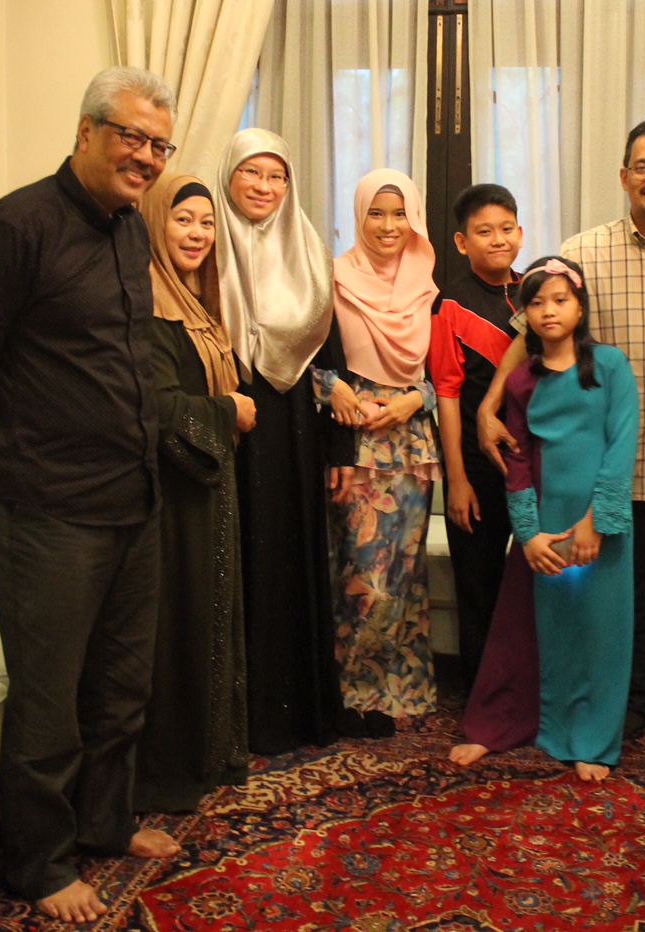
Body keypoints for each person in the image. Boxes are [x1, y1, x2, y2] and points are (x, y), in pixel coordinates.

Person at [0, 66, 180, 923]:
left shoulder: (130, 229)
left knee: (121, 687)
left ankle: (105, 823)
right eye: (132, 137)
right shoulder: (16, 226)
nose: (146, 157)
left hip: (131, 497)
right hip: (47, 511)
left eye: (160, 144)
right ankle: (37, 863)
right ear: (86, 131)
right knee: (49, 697)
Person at [478, 120, 645, 733]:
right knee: (623, 595)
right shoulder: (584, 252)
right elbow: (528, 333)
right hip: (616, 462)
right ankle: (634, 705)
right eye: (643, 166)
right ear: (624, 176)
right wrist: (490, 406)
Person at [452, 256, 638, 781]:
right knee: (536, 631)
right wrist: (529, 535)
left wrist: (596, 522)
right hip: (545, 528)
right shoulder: (520, 381)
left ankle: (592, 742)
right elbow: (517, 463)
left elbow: (621, 445)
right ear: (525, 314)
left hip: (599, 526)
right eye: (536, 303)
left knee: (598, 633)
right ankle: (514, 726)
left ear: (580, 308)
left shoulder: (611, 366)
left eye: (560, 300)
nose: (549, 311)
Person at [214, 129, 352, 755]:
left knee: (290, 559)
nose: (264, 187)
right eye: (252, 173)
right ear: (228, 175)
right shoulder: (205, 242)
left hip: (294, 427)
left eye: (277, 176)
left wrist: (338, 449)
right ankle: (237, 721)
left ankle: (294, 714)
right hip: (229, 419)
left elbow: (330, 356)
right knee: (236, 558)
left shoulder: (308, 248)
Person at [133, 170, 257, 812]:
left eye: (207, 223)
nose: (198, 233)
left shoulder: (194, 302)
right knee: (178, 625)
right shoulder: (149, 307)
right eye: (182, 219)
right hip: (171, 501)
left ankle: (210, 756)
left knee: (208, 614)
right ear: (155, 222)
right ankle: (170, 774)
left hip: (205, 490)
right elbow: (154, 407)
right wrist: (228, 411)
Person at [321, 169, 441, 735]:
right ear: (358, 215)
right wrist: (332, 388)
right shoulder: (331, 278)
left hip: (412, 443)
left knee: (405, 571)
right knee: (361, 570)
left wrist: (417, 398)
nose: (389, 226)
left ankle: (399, 689)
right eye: (376, 213)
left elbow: (445, 374)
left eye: (400, 214)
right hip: (357, 439)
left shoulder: (429, 284)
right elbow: (304, 356)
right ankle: (350, 692)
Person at [428, 183, 524, 688]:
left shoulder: (536, 292)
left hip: (529, 464)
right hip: (475, 467)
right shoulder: (450, 304)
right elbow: (446, 394)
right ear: (463, 243)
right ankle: (481, 698)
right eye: (484, 232)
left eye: (506, 229)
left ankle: (524, 692)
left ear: (520, 233)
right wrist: (457, 480)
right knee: (478, 586)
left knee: (530, 583)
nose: (498, 240)